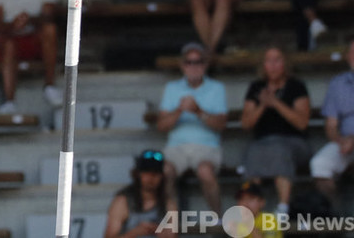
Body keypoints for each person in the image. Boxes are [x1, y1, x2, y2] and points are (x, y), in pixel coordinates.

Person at [155, 42, 227, 213]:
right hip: (176, 148)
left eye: (198, 62)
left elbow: (221, 125)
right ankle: (170, 221)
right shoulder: (171, 88)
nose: (194, 67)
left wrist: (198, 111)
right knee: (163, 172)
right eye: (189, 62)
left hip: (207, 147)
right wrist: (180, 110)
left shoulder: (217, 88)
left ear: (205, 64)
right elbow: (161, 126)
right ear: (182, 65)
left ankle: (218, 220)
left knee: (205, 172)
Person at [239, 46, 311, 215]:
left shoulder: (296, 87)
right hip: (261, 143)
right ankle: (251, 208)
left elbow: (302, 123)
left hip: (294, 143)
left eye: (277, 60)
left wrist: (276, 103)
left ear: (285, 63)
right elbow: (245, 123)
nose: (272, 65)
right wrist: (263, 104)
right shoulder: (256, 88)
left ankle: (283, 207)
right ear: (263, 65)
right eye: (268, 60)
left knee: (279, 150)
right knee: (253, 151)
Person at [310, 36, 354, 209]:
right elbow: (331, 125)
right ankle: (336, 221)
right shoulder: (338, 83)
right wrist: (340, 140)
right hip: (346, 143)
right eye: (352, 52)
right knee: (319, 164)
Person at [103, 150, 176, 238]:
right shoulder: (123, 202)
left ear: (162, 176)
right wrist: (135, 232)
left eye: (155, 173)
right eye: (146, 172)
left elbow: (173, 235)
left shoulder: (169, 204)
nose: (151, 177)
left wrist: (160, 232)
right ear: (137, 174)